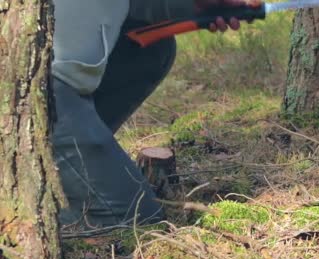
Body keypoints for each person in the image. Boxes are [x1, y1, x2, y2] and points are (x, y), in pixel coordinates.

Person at [51, 0, 257, 230]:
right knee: (136, 221)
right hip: (39, 90)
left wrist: (194, 6)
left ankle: (73, 171)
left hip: (61, 81)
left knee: (152, 46)